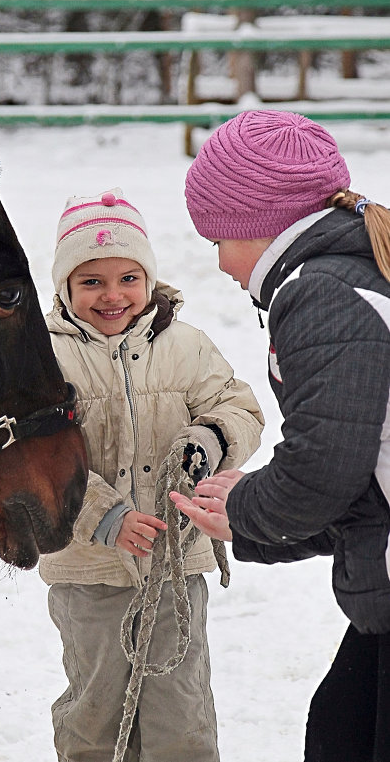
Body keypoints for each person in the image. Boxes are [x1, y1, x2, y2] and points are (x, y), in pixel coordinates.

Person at [171, 109, 390, 762]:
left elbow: (325, 464)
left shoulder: (320, 291)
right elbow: (363, 487)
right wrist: (251, 527)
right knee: (340, 724)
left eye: (218, 239)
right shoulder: (353, 272)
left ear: (258, 225)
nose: (217, 263)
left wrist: (247, 507)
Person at [39, 188, 264, 762]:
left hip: (174, 562)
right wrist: (102, 515)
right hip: (87, 569)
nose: (113, 296)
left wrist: (207, 443)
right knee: (96, 705)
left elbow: (239, 407)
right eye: (91, 282)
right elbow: (33, 450)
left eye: (128, 278)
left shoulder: (184, 346)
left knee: (180, 710)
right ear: (65, 285)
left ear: (149, 278)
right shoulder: (42, 358)